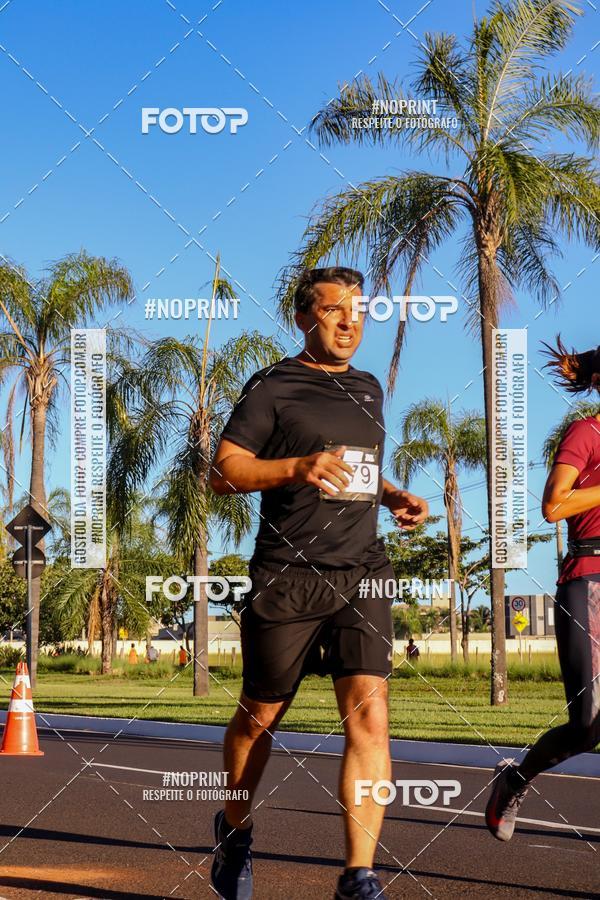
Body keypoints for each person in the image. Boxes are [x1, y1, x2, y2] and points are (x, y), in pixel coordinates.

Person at [208, 267, 428, 899]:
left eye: (358, 311)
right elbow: (224, 471)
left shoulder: (368, 388)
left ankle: (359, 877)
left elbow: (357, 467)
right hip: (287, 576)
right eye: (335, 310)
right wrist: (297, 467)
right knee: (260, 719)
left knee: (370, 718)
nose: (350, 321)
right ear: (305, 318)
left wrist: (391, 496)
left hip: (362, 572)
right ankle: (234, 829)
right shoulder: (273, 386)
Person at [486, 338, 600, 842]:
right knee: (589, 726)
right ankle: (516, 778)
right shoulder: (586, 432)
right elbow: (554, 506)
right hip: (589, 582)